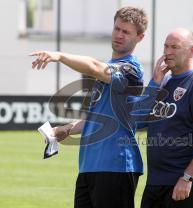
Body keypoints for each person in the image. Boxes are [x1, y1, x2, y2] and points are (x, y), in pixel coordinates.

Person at [30, 6, 148, 208]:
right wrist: (65, 129)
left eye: (126, 32)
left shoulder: (131, 69)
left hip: (116, 166)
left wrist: (59, 55)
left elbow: (94, 66)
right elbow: (96, 118)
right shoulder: (107, 69)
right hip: (89, 167)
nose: (119, 35)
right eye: (117, 28)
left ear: (140, 37)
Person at [140, 28, 193, 208]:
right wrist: (154, 84)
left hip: (183, 187)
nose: (168, 52)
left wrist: (187, 177)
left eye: (175, 47)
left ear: (192, 50)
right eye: (166, 46)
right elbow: (137, 121)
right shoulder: (163, 82)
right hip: (154, 184)